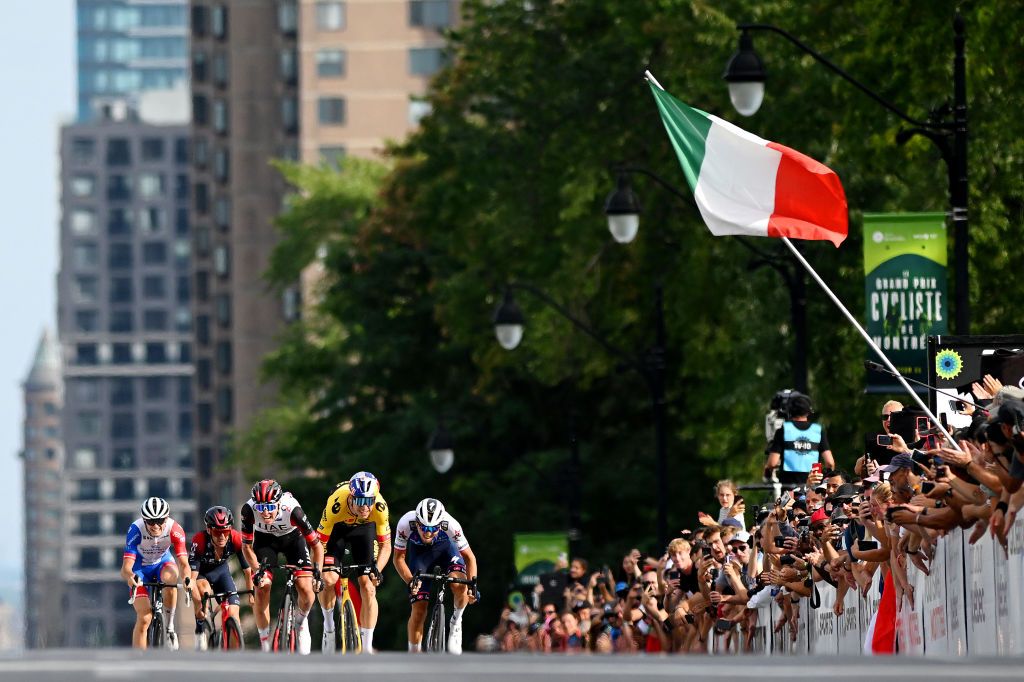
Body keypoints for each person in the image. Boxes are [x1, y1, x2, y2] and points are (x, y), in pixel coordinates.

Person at [240, 479, 324, 654]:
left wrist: (318, 572)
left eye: (270, 508)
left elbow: (316, 546)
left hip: (293, 540)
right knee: (262, 586)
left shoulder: (293, 510)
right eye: (261, 508)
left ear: (279, 503)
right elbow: (246, 546)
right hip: (265, 542)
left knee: (306, 589)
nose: (265, 514)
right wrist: (257, 570)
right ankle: (265, 644)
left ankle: (301, 622)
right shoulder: (248, 510)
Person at [315, 471, 392, 654]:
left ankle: (366, 646)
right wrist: (317, 571)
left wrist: (377, 570)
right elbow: (319, 543)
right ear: (351, 497)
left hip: (364, 531)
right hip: (337, 529)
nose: (365, 507)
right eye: (360, 501)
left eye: (369, 501)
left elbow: (386, 545)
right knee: (329, 579)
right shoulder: (336, 503)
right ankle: (329, 627)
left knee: (368, 586)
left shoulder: (380, 507)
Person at [392, 498, 478, 654]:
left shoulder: (451, 524)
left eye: (433, 528)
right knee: (419, 609)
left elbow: (469, 557)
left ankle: (456, 621)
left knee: (460, 585)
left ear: (441, 524)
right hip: (420, 556)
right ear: (417, 522)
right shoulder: (406, 523)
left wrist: (472, 585)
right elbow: (398, 558)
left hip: (446, 550)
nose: (428, 532)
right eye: (424, 527)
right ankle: (414, 652)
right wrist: (410, 581)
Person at [120, 497, 191, 650]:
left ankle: (169, 628)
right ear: (144, 520)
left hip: (162, 563)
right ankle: (139, 657)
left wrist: (187, 579)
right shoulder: (135, 529)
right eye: (151, 522)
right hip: (140, 568)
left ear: (166, 518)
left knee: (170, 578)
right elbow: (126, 568)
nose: (155, 526)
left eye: (159, 520)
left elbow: (184, 563)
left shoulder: (175, 529)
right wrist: (131, 578)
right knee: (145, 617)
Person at [187, 506, 254, 650]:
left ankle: (234, 652)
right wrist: (198, 604)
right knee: (204, 591)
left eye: (225, 532)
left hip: (221, 572)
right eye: (218, 532)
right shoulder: (199, 540)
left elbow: (247, 570)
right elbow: (192, 579)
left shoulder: (236, 538)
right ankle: (201, 626)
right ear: (209, 530)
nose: (222, 536)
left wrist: (250, 593)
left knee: (233, 612)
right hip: (201, 573)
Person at [765, 394, 835, 487]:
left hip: (789, 488)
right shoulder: (817, 430)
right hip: (812, 487)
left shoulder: (784, 430)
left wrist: (767, 472)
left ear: (789, 411)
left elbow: (772, 463)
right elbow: (830, 462)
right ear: (808, 412)